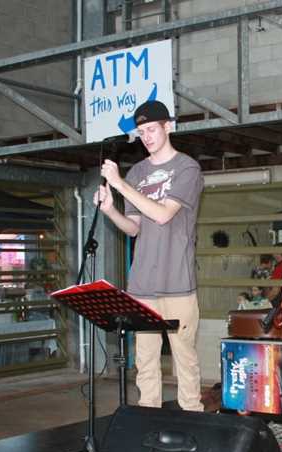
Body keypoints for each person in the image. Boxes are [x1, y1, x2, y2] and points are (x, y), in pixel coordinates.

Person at [94, 100, 204, 412]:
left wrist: (119, 185)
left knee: (184, 358)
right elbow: (133, 229)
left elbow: (163, 214)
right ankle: (147, 417)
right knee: (145, 361)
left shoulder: (187, 168)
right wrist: (111, 209)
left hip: (178, 281)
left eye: (151, 129)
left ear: (168, 126)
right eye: (141, 132)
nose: (146, 137)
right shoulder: (137, 171)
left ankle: (193, 419)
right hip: (142, 283)